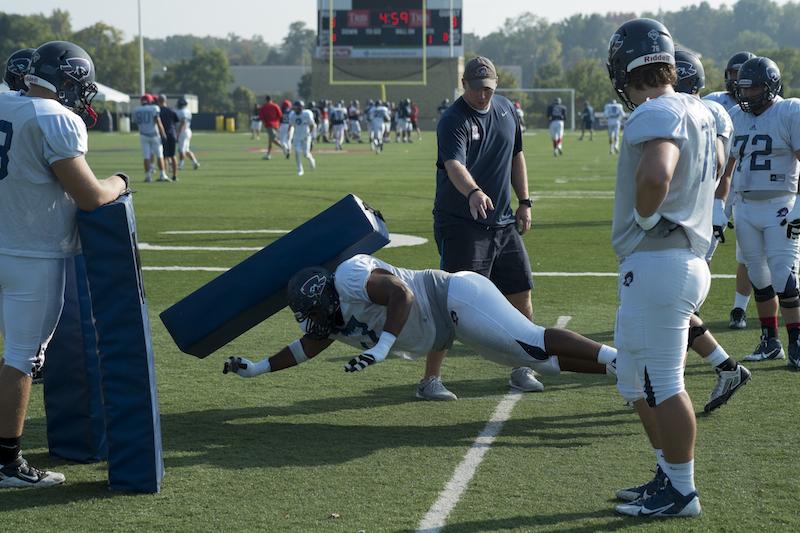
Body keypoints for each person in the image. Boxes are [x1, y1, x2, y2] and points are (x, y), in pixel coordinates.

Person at [0, 40, 129, 489]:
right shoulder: (58, 119)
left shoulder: (4, 101)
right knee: (21, 357)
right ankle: (7, 462)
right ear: (69, 77)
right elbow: (91, 196)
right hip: (31, 253)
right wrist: (120, 180)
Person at [607, 19, 717, 518]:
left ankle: (682, 491)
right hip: (672, 259)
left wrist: (648, 214)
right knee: (635, 380)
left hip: (661, 259)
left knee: (663, 382)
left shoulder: (658, 111)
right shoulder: (701, 108)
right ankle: (667, 473)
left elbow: (656, 172)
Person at [222, 255, 617, 385]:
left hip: (453, 297)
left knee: (531, 341)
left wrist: (382, 347)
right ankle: (624, 372)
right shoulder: (331, 321)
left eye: (312, 313)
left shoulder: (348, 278)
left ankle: (620, 358)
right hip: (450, 328)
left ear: (323, 298)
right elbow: (305, 347)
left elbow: (402, 293)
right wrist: (257, 368)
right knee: (540, 362)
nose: (312, 322)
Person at [431, 56, 540, 401]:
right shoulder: (453, 120)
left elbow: (516, 155)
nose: (482, 95)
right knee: (454, 301)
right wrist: (474, 192)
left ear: (496, 86)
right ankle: (430, 379)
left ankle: (521, 367)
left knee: (520, 293)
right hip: (462, 224)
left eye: (488, 89)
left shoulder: (506, 110)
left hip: (503, 221)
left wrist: (524, 200)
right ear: (465, 85)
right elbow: (453, 165)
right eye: (477, 89)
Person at [672, 49, 752, 412]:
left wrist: (719, 206)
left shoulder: (710, 112)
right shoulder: (709, 109)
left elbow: (724, 166)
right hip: (688, 217)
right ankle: (671, 376)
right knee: (672, 303)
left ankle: (674, 378)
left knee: (672, 301)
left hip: (691, 220)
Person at [728, 57, 800, 369]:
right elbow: (729, 169)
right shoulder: (736, 116)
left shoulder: (789, 111)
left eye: (754, 87)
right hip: (745, 206)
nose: (747, 93)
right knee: (758, 276)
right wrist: (723, 208)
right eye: (744, 87)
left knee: (784, 275)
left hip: (780, 203)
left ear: (770, 85)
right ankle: (770, 341)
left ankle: (796, 342)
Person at [704, 51, 758, 330]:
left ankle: (740, 309)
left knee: (751, 255)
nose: (739, 82)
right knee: (704, 248)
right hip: (719, 182)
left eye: (744, 77)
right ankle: (694, 307)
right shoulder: (714, 102)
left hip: (753, 184)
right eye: (735, 76)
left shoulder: (772, 107)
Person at [132, 93, 169, 182]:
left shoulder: (136, 110)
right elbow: (158, 122)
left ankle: (148, 176)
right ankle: (162, 174)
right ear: (150, 101)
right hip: (154, 135)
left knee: (146, 156)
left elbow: (136, 122)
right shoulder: (154, 108)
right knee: (160, 155)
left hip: (143, 135)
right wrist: (163, 134)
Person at [287, 100, 316, 176]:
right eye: (295, 107)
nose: (295, 109)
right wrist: (289, 133)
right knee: (297, 152)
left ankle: (311, 159)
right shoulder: (292, 115)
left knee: (306, 154)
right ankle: (300, 170)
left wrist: (310, 135)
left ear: (301, 108)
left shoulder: (307, 114)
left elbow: (312, 125)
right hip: (297, 136)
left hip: (306, 136)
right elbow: (291, 125)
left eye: (296, 107)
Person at [157, 94, 180, 182]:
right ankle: (174, 176)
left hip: (163, 135)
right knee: (173, 156)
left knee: (164, 156)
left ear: (158, 101)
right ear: (165, 101)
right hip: (172, 134)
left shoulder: (158, 111)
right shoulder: (172, 110)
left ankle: (164, 175)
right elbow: (176, 123)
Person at [175, 97, 199, 170]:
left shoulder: (182, 112)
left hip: (183, 131)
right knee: (186, 150)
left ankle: (181, 164)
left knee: (181, 150)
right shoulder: (187, 111)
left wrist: (178, 133)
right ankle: (195, 162)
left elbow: (183, 123)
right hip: (187, 130)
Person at [258, 95, 282, 160]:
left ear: (266, 100)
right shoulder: (276, 106)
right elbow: (280, 115)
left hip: (269, 125)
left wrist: (264, 124)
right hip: (276, 125)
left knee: (273, 139)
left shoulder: (263, 107)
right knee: (270, 141)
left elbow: (261, 117)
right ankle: (268, 155)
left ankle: (284, 148)